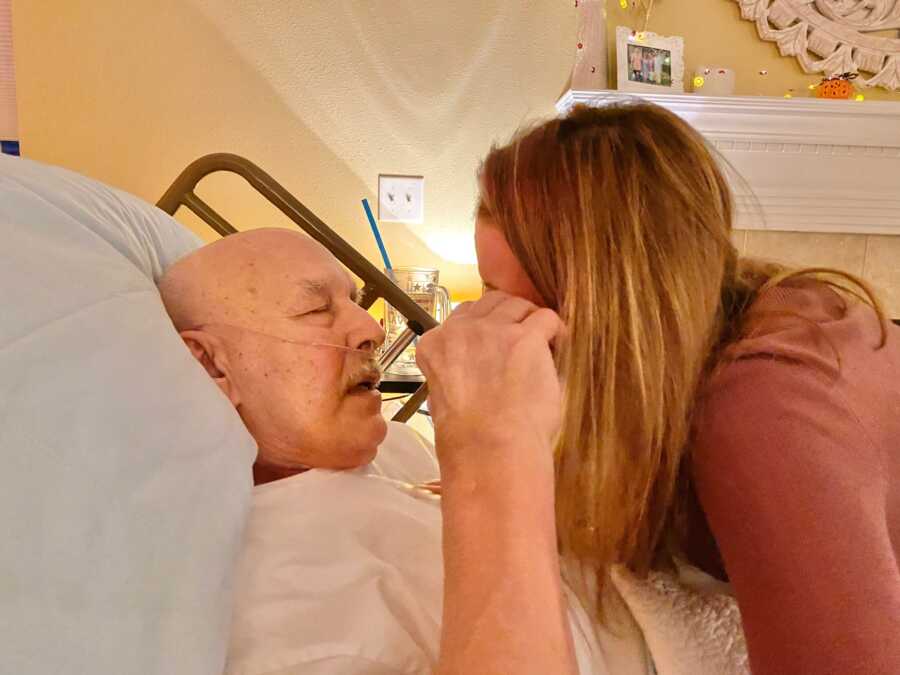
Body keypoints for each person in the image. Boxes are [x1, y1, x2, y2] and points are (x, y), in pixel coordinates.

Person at [417, 101, 900, 674]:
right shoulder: (712, 325)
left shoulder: (764, 410)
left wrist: (490, 450)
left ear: (602, 307)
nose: (488, 317)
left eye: (504, 297)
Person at [158, 228, 640, 675]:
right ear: (212, 364)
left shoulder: (398, 445)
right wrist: (488, 449)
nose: (371, 326)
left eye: (354, 300)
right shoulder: (295, 611)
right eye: (316, 311)